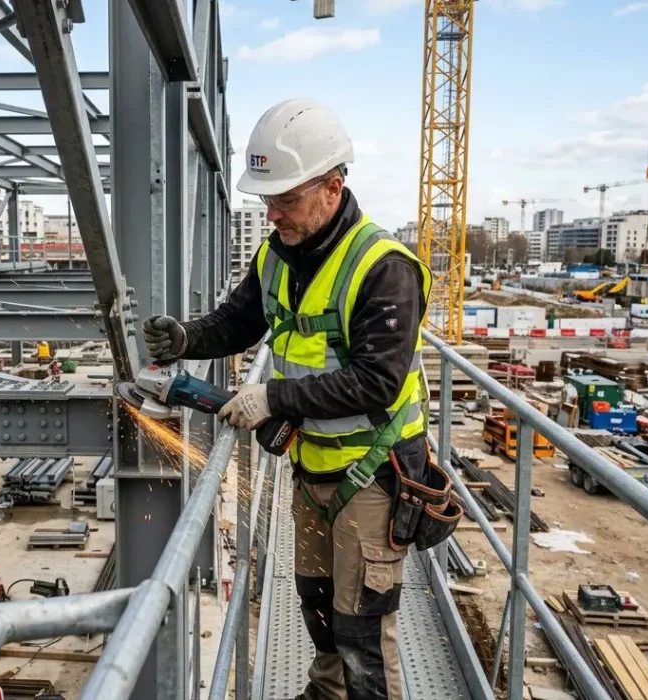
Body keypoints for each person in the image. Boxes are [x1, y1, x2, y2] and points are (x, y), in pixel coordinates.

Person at [142, 98, 459, 700]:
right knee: (317, 603)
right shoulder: (277, 256)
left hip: (375, 472)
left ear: (333, 188)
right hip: (312, 463)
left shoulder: (382, 266)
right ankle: (327, 692)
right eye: (267, 200)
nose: (272, 214)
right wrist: (187, 338)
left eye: (285, 199)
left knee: (363, 625)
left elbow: (378, 381)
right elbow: (238, 323)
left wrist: (273, 398)